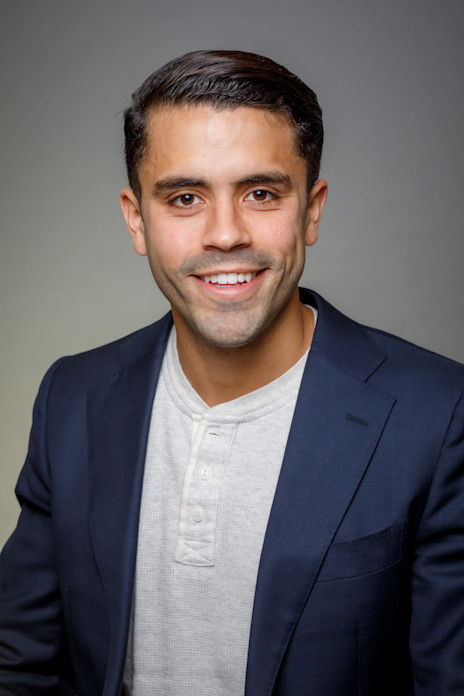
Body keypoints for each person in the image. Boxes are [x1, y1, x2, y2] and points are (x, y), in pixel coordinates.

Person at [0, 49, 463, 696]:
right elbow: (19, 665)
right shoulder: (73, 399)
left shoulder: (438, 416)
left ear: (311, 210)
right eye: (185, 197)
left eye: (261, 193)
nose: (225, 234)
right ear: (137, 219)